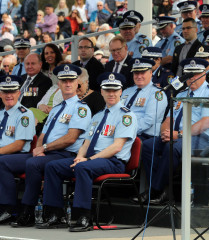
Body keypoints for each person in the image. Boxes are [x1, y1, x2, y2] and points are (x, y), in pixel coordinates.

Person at [37, 72, 137, 231]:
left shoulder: (127, 116)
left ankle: (83, 216)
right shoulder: (97, 116)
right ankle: (54, 214)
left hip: (113, 162)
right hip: (92, 160)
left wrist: (89, 160)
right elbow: (86, 142)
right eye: (107, 90)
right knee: (53, 167)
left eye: (115, 90)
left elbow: (116, 147)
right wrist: (79, 157)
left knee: (83, 167)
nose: (111, 94)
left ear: (120, 92)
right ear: (102, 92)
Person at [10, 64, 92, 227]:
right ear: (59, 84)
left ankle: (31, 212)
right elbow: (43, 134)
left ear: (77, 84)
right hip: (48, 153)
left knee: (32, 164)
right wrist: (39, 149)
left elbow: (71, 138)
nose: (67, 84)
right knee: (18, 161)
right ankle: (23, 210)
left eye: (71, 80)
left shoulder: (81, 109)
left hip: (66, 154)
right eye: (64, 81)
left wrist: (44, 149)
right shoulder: (56, 109)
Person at [135, 57, 209, 205]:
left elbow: (205, 123)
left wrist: (179, 134)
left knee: (173, 148)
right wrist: (165, 132)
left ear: (204, 74)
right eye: (188, 74)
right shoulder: (181, 94)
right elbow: (169, 118)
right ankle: (164, 191)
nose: (192, 78)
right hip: (178, 137)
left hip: (204, 139)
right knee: (149, 146)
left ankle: (155, 190)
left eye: (196, 74)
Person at [0, 75, 36, 224]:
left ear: (18, 93)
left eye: (13, 91)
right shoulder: (0, 113)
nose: (9, 95)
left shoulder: (24, 114)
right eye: (5, 92)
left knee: (1, 163)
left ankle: (8, 208)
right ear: (0, 94)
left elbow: (18, 145)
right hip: (4, 155)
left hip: (22, 156)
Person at [121, 58, 168, 141]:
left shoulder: (157, 94)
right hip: (124, 134)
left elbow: (148, 121)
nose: (139, 76)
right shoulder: (127, 91)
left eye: (142, 73)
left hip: (144, 137)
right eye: (136, 73)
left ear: (150, 73)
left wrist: (126, 131)